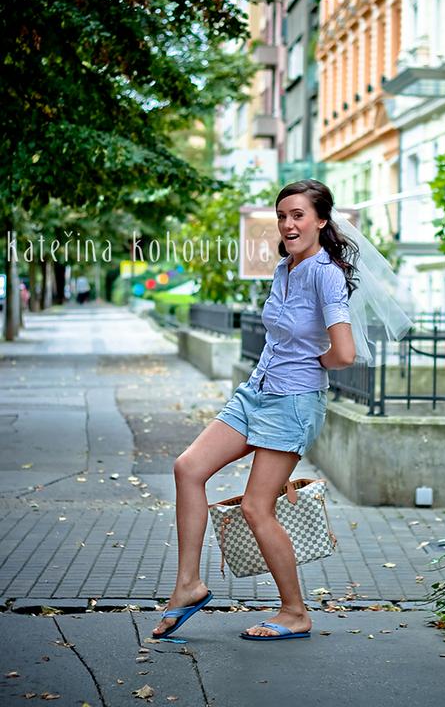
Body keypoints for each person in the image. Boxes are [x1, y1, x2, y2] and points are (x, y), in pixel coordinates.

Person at [152, 179, 363, 642]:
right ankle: (188, 585)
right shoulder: (286, 268)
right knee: (188, 468)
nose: (288, 224)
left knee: (255, 506)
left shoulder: (325, 274)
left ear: (321, 220)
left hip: (292, 402)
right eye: (282, 216)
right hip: (256, 392)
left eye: (298, 215)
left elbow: (344, 353)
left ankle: (295, 612)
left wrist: (315, 362)